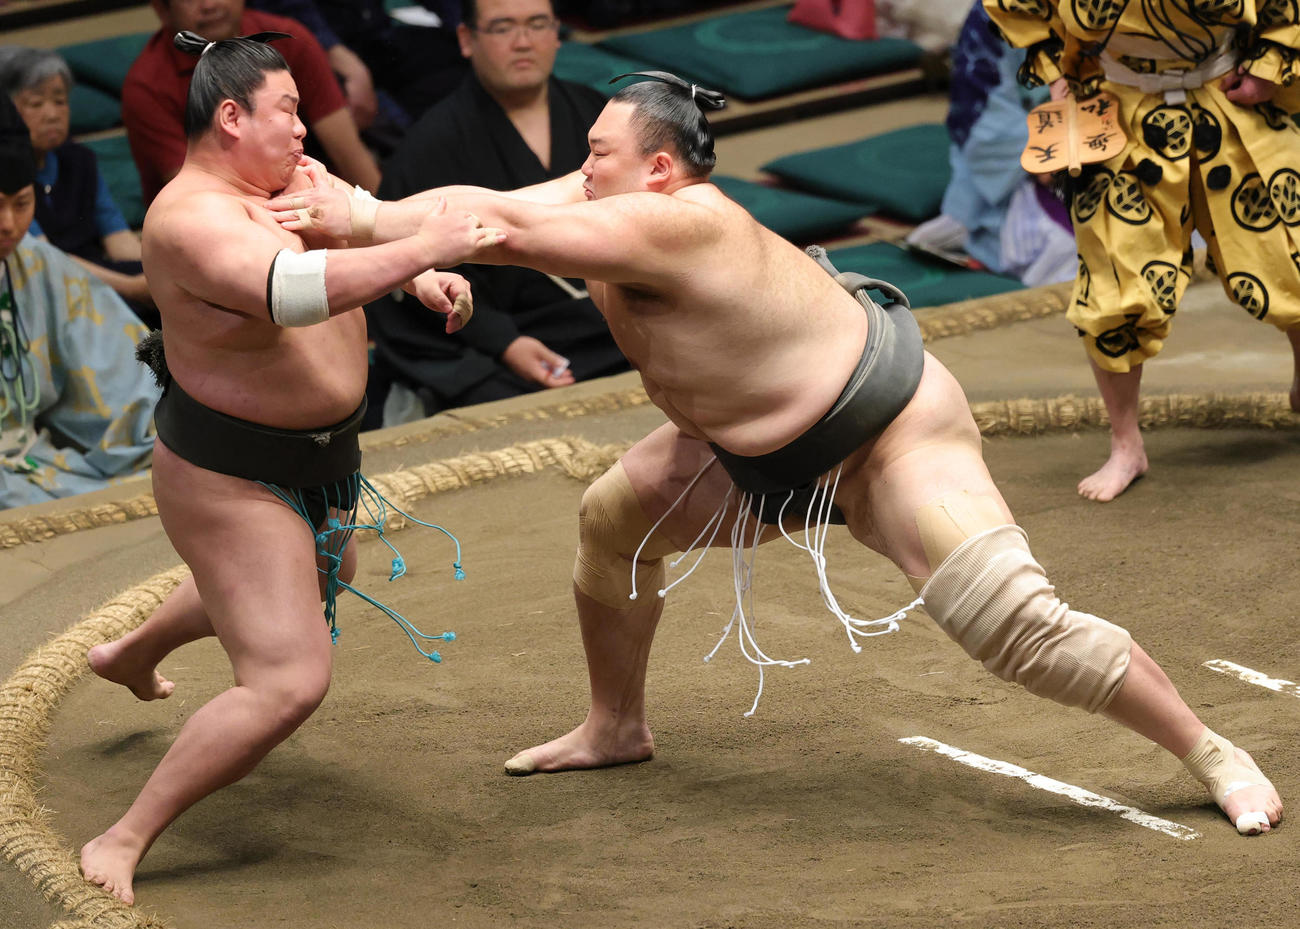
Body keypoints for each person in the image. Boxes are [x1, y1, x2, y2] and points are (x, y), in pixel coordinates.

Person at [270, 72, 1282, 838]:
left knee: (1012, 625)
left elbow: (488, 224)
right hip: (750, 454)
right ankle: (614, 725)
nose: (582, 169)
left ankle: (1209, 748)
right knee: (610, 525)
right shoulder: (608, 199)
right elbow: (485, 202)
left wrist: (355, 230)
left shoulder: (677, 227)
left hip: (882, 435)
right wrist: (360, 214)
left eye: (599, 152)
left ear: (659, 170)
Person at [78, 32, 500, 905]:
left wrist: (417, 276)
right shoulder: (188, 217)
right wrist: (424, 251)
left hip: (319, 461)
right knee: (288, 679)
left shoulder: (293, 184)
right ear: (231, 118)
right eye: (290, 112)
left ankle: (133, 651)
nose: (306, 130)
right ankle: (123, 836)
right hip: (229, 474)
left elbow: (368, 228)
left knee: (324, 566)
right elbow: (292, 291)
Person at [983, 1, 1300, 501]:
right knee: (1114, 282)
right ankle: (1125, 442)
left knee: (1288, 252)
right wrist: (1060, 79)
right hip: (1118, 105)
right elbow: (1026, 11)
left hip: (1229, 94)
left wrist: (1268, 69)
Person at [368, 0, 628, 420]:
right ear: (467, 39)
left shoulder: (601, 115)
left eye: (537, 24)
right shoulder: (431, 144)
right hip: (507, 333)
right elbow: (408, 263)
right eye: (503, 27)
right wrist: (505, 343)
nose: (523, 42)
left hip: (609, 317)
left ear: (557, 33)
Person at [0, 94, 159, 510]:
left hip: (37, 460)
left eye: (21, 204)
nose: (9, 225)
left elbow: (121, 373)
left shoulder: (36, 263)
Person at [123, 0, 381, 207]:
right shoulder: (147, 86)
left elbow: (349, 154)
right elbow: (199, 198)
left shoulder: (287, 39)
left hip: (321, 197)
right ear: (161, 9)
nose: (209, 5)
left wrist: (378, 220)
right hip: (221, 221)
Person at [904, 2, 1075, 287]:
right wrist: (1050, 155)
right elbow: (981, 116)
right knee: (1069, 249)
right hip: (1027, 162)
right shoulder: (996, 12)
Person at [0, 46, 156, 323]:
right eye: (36, 104)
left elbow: (119, 240)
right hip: (50, 283)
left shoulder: (80, 160)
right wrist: (132, 288)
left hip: (100, 271)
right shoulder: (10, 180)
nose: (52, 114)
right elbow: (47, 259)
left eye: (59, 101)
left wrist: (162, 270)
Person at [249, 0, 468, 133]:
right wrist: (340, 56)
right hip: (320, 49)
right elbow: (289, 12)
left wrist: (470, 29)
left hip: (378, 39)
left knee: (459, 63)